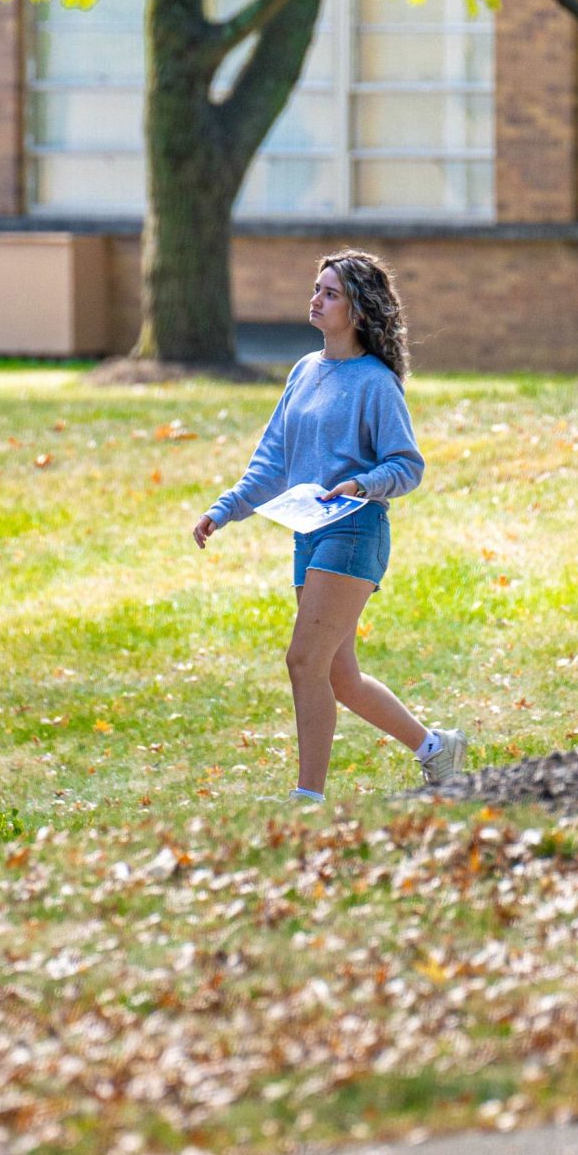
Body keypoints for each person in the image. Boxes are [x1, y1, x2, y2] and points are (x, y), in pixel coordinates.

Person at [192, 249, 467, 802]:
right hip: (308, 532)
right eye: (317, 289)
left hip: (354, 531)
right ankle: (437, 749)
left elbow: (406, 465)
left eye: (330, 293)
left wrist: (363, 485)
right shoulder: (304, 371)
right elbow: (272, 460)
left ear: (358, 310)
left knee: (303, 660)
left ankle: (307, 798)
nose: (315, 300)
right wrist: (224, 509)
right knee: (339, 676)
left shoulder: (375, 383)